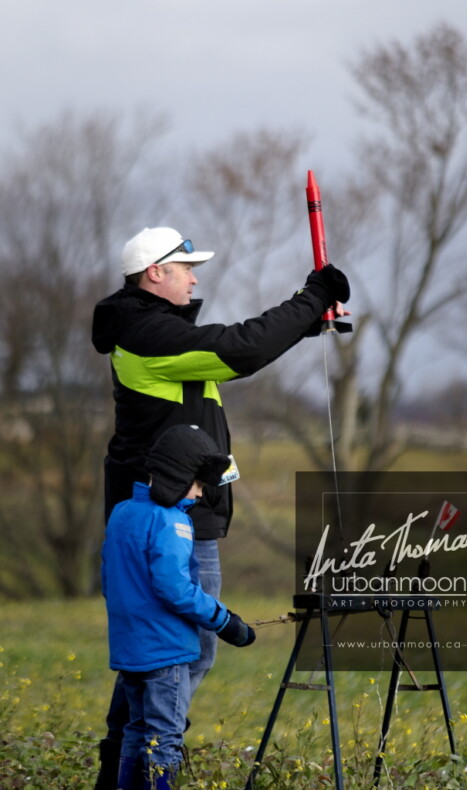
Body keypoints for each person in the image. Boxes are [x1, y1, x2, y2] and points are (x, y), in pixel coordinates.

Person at [92, 225, 351, 787]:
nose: (195, 277)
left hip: (160, 515)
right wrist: (312, 297)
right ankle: (150, 759)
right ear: (155, 273)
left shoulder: (151, 331)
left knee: (152, 655)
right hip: (168, 518)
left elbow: (238, 349)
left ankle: (121, 766)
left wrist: (306, 322)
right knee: (190, 652)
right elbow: (242, 346)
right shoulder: (146, 334)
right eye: (186, 268)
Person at [101, 423, 256, 790]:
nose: (201, 495)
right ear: (177, 475)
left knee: (136, 731)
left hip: (130, 653)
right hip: (166, 654)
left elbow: (108, 582)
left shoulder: (122, 513)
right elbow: (177, 589)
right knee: (166, 738)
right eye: (198, 484)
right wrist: (225, 621)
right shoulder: (173, 521)